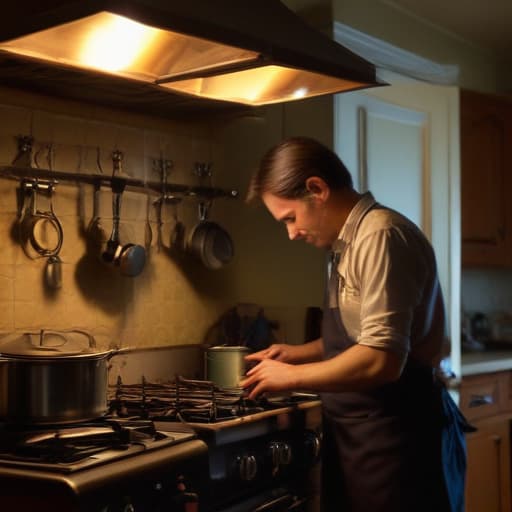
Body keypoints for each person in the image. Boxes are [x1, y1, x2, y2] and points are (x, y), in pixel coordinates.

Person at [240, 136, 471, 512]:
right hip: (362, 436)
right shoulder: (346, 243)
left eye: (290, 218)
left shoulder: (379, 237)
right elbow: (358, 338)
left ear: (317, 189)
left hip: (399, 440)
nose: (291, 233)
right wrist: (297, 354)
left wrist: (292, 377)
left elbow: (382, 358)